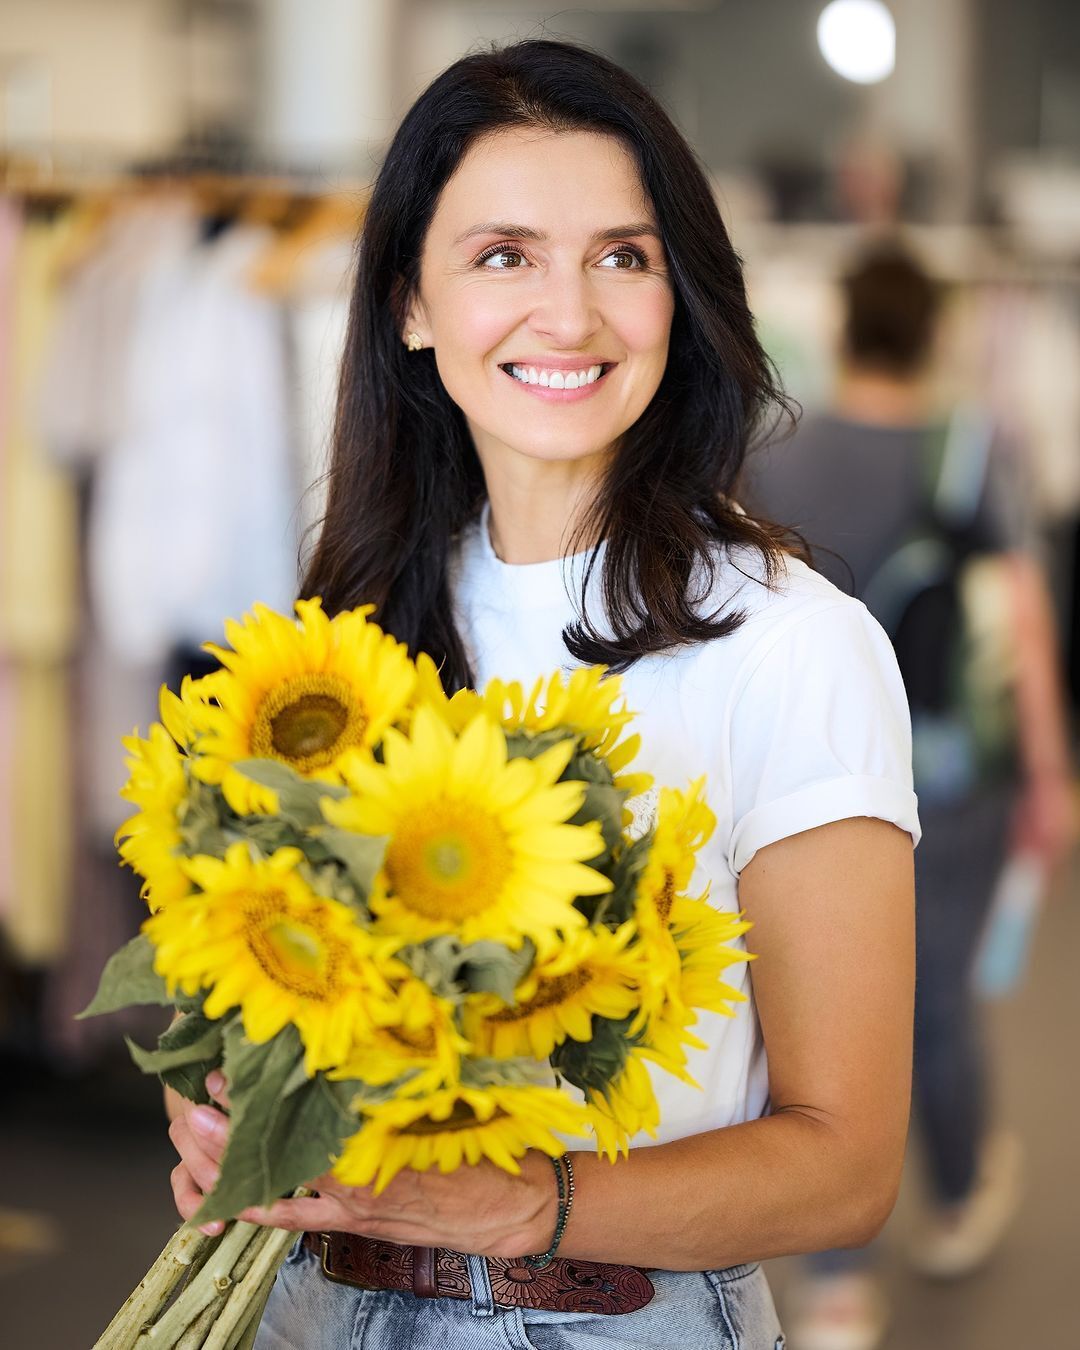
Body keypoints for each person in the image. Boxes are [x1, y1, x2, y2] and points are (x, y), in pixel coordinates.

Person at [165, 40, 920, 1350]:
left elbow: (846, 1164)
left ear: (679, 295)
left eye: (622, 257)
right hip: (308, 1309)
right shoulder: (343, 632)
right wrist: (242, 1119)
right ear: (411, 303)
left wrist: (532, 1204)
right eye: (503, 254)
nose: (568, 316)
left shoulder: (794, 645)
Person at [745, 244, 1075, 1350]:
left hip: (805, 768)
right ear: (934, 329)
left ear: (841, 325)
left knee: (816, 1001)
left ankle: (838, 1284)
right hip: (946, 770)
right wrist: (1048, 770)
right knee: (931, 997)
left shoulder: (775, 451)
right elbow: (1022, 618)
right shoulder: (972, 448)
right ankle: (956, 1194)